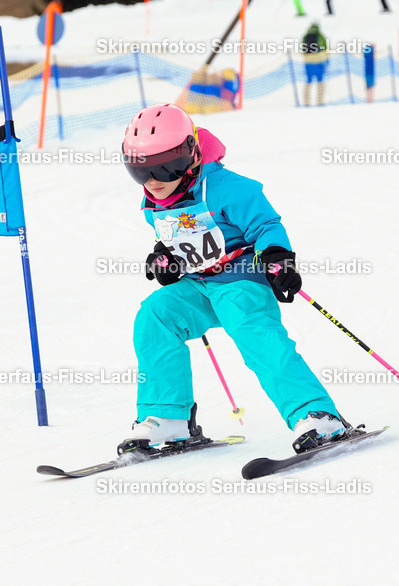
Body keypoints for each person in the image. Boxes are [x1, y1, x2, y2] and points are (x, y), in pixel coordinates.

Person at [118, 103, 346, 455]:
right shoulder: (154, 201)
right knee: (155, 314)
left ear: (190, 155)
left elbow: (266, 225)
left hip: (241, 279)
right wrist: (166, 259)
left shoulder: (229, 188)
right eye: (140, 171)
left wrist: (277, 257)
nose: (152, 181)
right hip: (198, 285)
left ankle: (316, 415)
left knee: (250, 328)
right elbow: (174, 237)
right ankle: (168, 417)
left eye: (166, 168)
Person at [302, 22, 328, 106]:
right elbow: (325, 48)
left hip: (308, 62)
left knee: (308, 81)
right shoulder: (320, 36)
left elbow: (303, 48)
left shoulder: (306, 36)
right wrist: (326, 59)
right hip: (319, 61)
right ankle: (320, 101)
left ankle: (306, 101)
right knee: (320, 82)